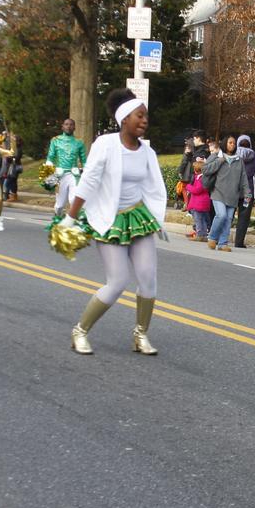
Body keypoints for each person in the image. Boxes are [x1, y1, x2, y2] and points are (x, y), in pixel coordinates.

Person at [58, 88, 167, 356]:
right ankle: (80, 331)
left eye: (146, 117)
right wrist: (70, 218)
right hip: (110, 220)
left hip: (138, 217)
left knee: (148, 279)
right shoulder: (105, 144)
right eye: (139, 116)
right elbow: (89, 181)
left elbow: (154, 187)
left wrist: (157, 217)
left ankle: (140, 335)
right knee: (117, 282)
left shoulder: (147, 152)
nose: (144, 121)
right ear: (124, 119)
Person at [202, 135, 251, 253]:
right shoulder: (216, 156)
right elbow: (205, 169)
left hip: (233, 195)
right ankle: (212, 237)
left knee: (228, 219)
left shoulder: (239, 160)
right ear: (225, 144)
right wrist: (220, 160)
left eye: (234, 143)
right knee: (221, 215)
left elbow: (243, 178)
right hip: (218, 193)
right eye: (230, 143)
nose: (232, 145)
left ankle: (223, 243)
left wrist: (247, 192)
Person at [46, 118, 87, 214]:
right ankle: (57, 221)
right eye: (66, 124)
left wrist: (86, 171)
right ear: (62, 127)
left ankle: (73, 223)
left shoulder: (79, 142)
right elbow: (50, 157)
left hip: (74, 175)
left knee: (74, 200)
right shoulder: (55, 140)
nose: (69, 126)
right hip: (60, 175)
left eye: (71, 124)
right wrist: (48, 172)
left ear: (74, 127)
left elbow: (84, 160)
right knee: (60, 205)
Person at [234, 134, 255, 248]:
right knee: (244, 216)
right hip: (248, 192)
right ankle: (239, 242)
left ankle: (221, 238)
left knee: (229, 213)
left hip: (233, 191)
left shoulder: (233, 155)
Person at [184, 158, 211, 241]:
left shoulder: (200, 179)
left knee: (198, 220)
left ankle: (199, 235)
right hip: (204, 202)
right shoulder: (204, 178)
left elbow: (197, 190)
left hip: (198, 203)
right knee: (203, 220)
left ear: (196, 170)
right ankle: (204, 235)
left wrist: (188, 186)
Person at [2, 133, 23, 202]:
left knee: (10, 181)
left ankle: (12, 196)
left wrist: (10, 157)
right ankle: (12, 195)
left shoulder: (18, 148)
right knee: (12, 181)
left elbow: (16, 158)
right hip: (11, 166)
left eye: (13, 140)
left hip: (14, 167)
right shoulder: (13, 148)